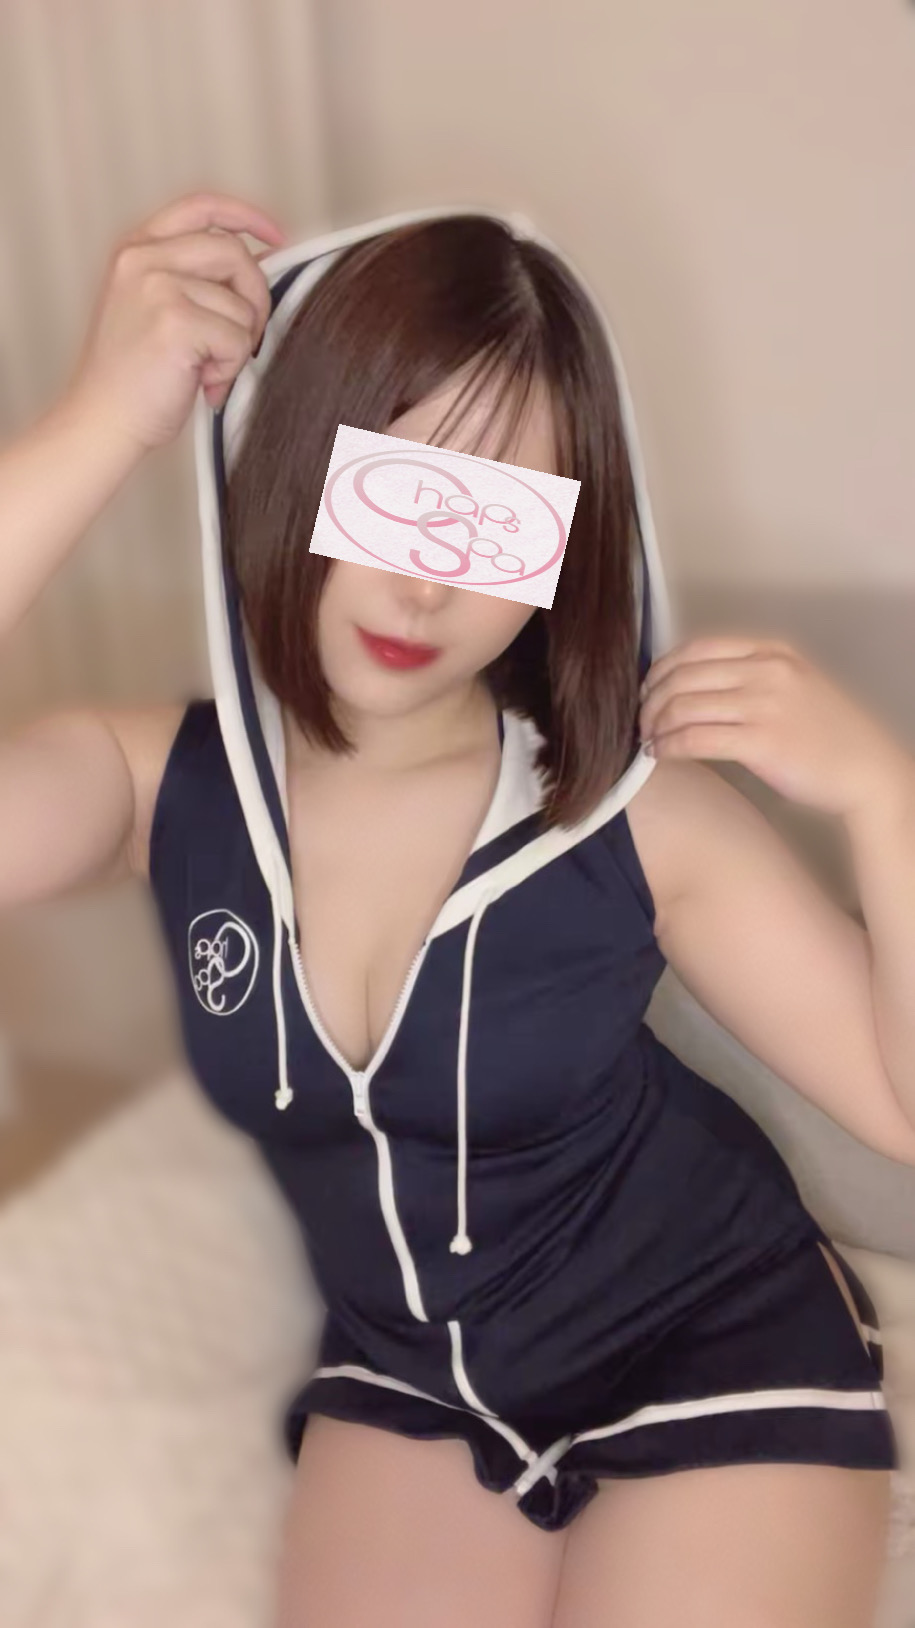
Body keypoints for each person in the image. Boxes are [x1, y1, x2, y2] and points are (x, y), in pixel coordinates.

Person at [0, 188, 907, 1628]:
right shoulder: (160, 784)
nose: (425, 583)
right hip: (412, 1375)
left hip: (708, 1337)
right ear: (294, 458)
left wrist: (882, 795)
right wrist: (103, 421)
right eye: (395, 491)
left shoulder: (631, 809)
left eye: (493, 524)